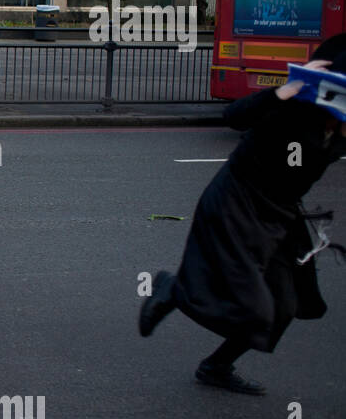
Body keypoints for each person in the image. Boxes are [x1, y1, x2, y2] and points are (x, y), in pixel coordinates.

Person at [139, 34, 346, 394]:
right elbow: (234, 116)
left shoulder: (339, 130)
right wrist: (285, 90)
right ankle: (174, 290)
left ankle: (216, 367)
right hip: (237, 203)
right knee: (254, 309)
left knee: (284, 307)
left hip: (281, 217)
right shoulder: (293, 110)